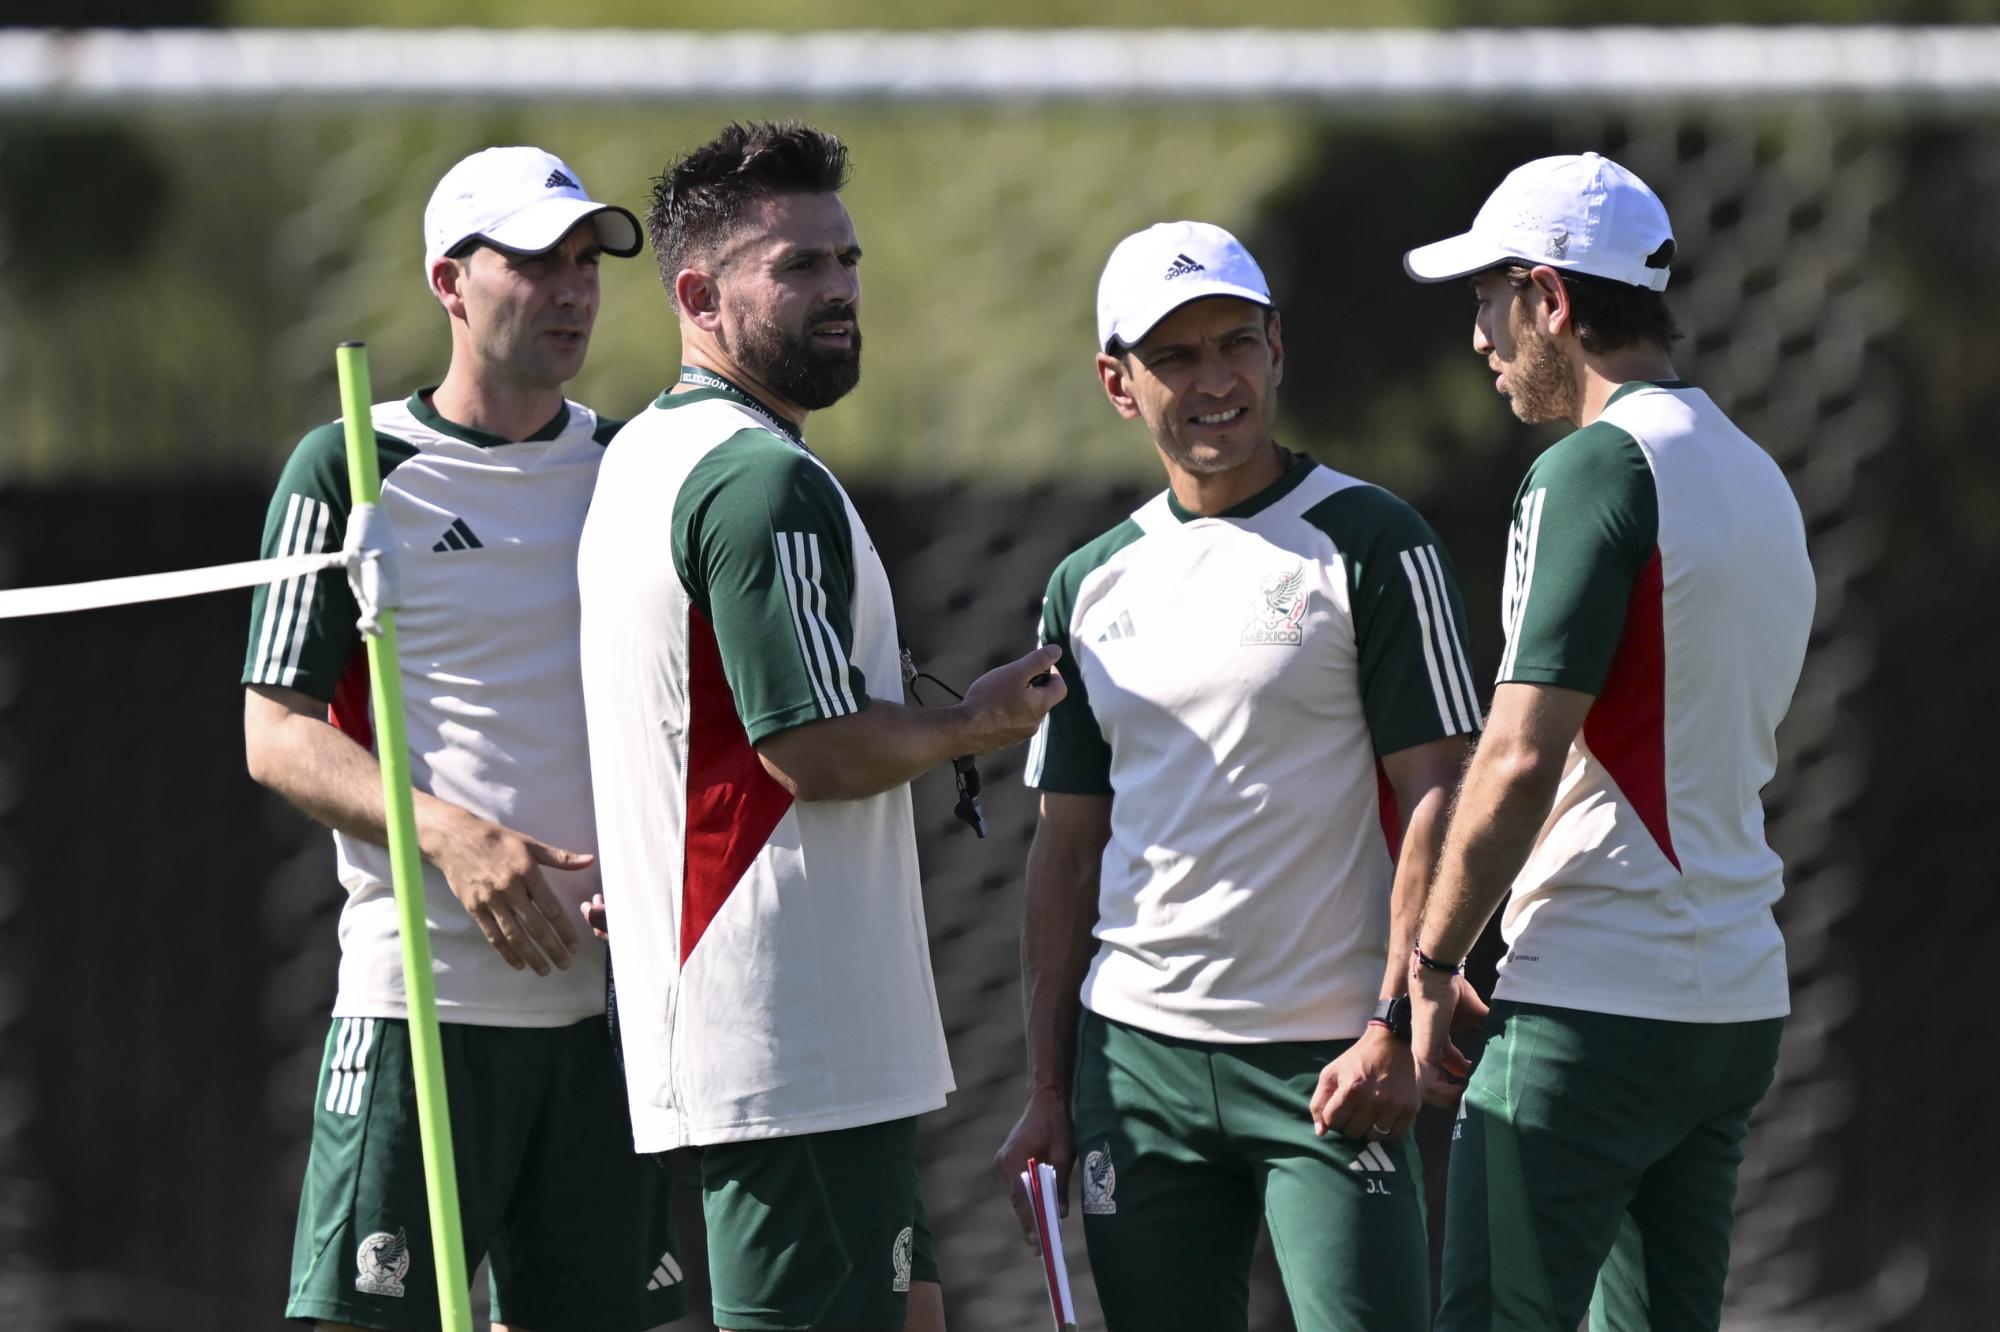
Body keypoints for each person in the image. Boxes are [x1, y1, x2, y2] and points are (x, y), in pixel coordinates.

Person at [576, 120, 1064, 1332]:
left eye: (846, 261)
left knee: (915, 1315)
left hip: (784, 1037)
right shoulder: (756, 480)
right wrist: (977, 725)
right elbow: (814, 748)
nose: (839, 291)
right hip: (789, 1038)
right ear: (696, 293)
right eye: (796, 268)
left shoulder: (647, 454)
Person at [992, 220, 1487, 1331]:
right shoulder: (1086, 582)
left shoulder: (1373, 540)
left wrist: (1393, 1014)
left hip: (1331, 1058)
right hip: (1137, 1073)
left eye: (1235, 343)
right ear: (1116, 385)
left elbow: (1443, 795)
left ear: (1277, 349)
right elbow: (1065, 855)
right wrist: (1046, 1089)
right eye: (1174, 356)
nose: (1213, 380)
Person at [242, 146, 684, 1332]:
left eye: (587, 262)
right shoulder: (350, 464)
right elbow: (274, 736)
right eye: (536, 261)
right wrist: (449, 835)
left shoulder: (632, 467)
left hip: (608, 1020)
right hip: (419, 1009)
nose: (573, 289)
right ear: (449, 280)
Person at [1401, 152, 1815, 1331]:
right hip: (1731, 1006)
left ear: (1549, 299)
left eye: (1487, 299)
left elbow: (1520, 755)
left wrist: (1431, 967)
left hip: (1596, 1004)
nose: (1478, 335)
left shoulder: (1590, 467)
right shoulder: (1755, 471)